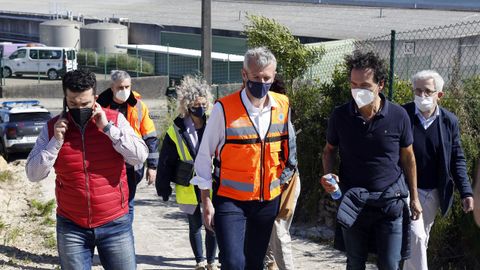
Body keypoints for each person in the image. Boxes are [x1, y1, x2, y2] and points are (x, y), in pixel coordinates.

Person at [25, 69, 148, 269]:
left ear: (95, 98)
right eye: (72, 104)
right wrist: (55, 142)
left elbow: (139, 156)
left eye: (85, 104)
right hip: (72, 227)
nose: (79, 108)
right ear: (65, 99)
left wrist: (108, 129)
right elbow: (33, 174)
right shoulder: (51, 128)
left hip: (115, 223)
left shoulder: (115, 120)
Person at [190, 47, 298, 270]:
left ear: (274, 76)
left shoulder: (282, 105)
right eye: (256, 77)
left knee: (254, 262)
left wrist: (284, 181)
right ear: (244, 75)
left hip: (267, 201)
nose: (262, 82)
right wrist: (206, 200)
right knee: (233, 262)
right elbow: (204, 156)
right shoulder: (224, 109)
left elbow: (290, 149)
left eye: (267, 78)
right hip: (230, 200)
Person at [320, 50, 422, 270]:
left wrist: (414, 197)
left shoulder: (399, 116)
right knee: (355, 263)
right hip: (354, 203)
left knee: (390, 264)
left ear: (381, 85)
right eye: (353, 84)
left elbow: (408, 157)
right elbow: (329, 150)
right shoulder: (340, 116)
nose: (357, 91)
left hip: (390, 204)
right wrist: (328, 176)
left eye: (365, 86)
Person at [402, 70, 474, 270]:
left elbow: (457, 158)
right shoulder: (403, 115)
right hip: (405, 189)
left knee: (419, 240)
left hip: (433, 192)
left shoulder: (449, 121)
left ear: (439, 95)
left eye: (427, 91)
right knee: (415, 235)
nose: (422, 96)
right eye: (417, 91)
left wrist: (466, 191)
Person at [156, 75, 218, 270]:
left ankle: (212, 261)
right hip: (188, 184)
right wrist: (162, 185)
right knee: (195, 224)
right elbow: (166, 160)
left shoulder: (214, 123)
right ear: (187, 106)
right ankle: (199, 260)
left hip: (212, 182)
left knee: (212, 223)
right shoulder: (177, 129)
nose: (200, 108)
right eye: (195, 105)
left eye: (203, 104)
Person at [97, 70, 159, 221]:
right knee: (109, 204)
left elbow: (150, 136)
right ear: (112, 87)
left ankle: (125, 235)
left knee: (128, 204)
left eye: (127, 87)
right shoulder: (99, 106)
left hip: (132, 166)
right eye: (120, 87)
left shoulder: (139, 106)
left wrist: (152, 166)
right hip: (107, 164)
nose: (124, 91)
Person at [264, 75, 301, 270]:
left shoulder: (281, 117)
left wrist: (279, 183)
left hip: (285, 181)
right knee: (269, 228)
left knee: (279, 229)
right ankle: (270, 265)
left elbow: (291, 160)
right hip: (271, 182)